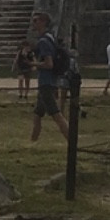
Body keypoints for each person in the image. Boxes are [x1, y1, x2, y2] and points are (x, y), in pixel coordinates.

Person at [29, 9, 68, 144]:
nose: (33, 24)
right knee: (37, 114)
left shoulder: (43, 42)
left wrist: (33, 63)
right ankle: (33, 141)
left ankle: (72, 140)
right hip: (48, 82)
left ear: (43, 22)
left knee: (56, 115)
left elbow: (49, 64)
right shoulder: (50, 38)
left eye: (36, 21)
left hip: (46, 83)